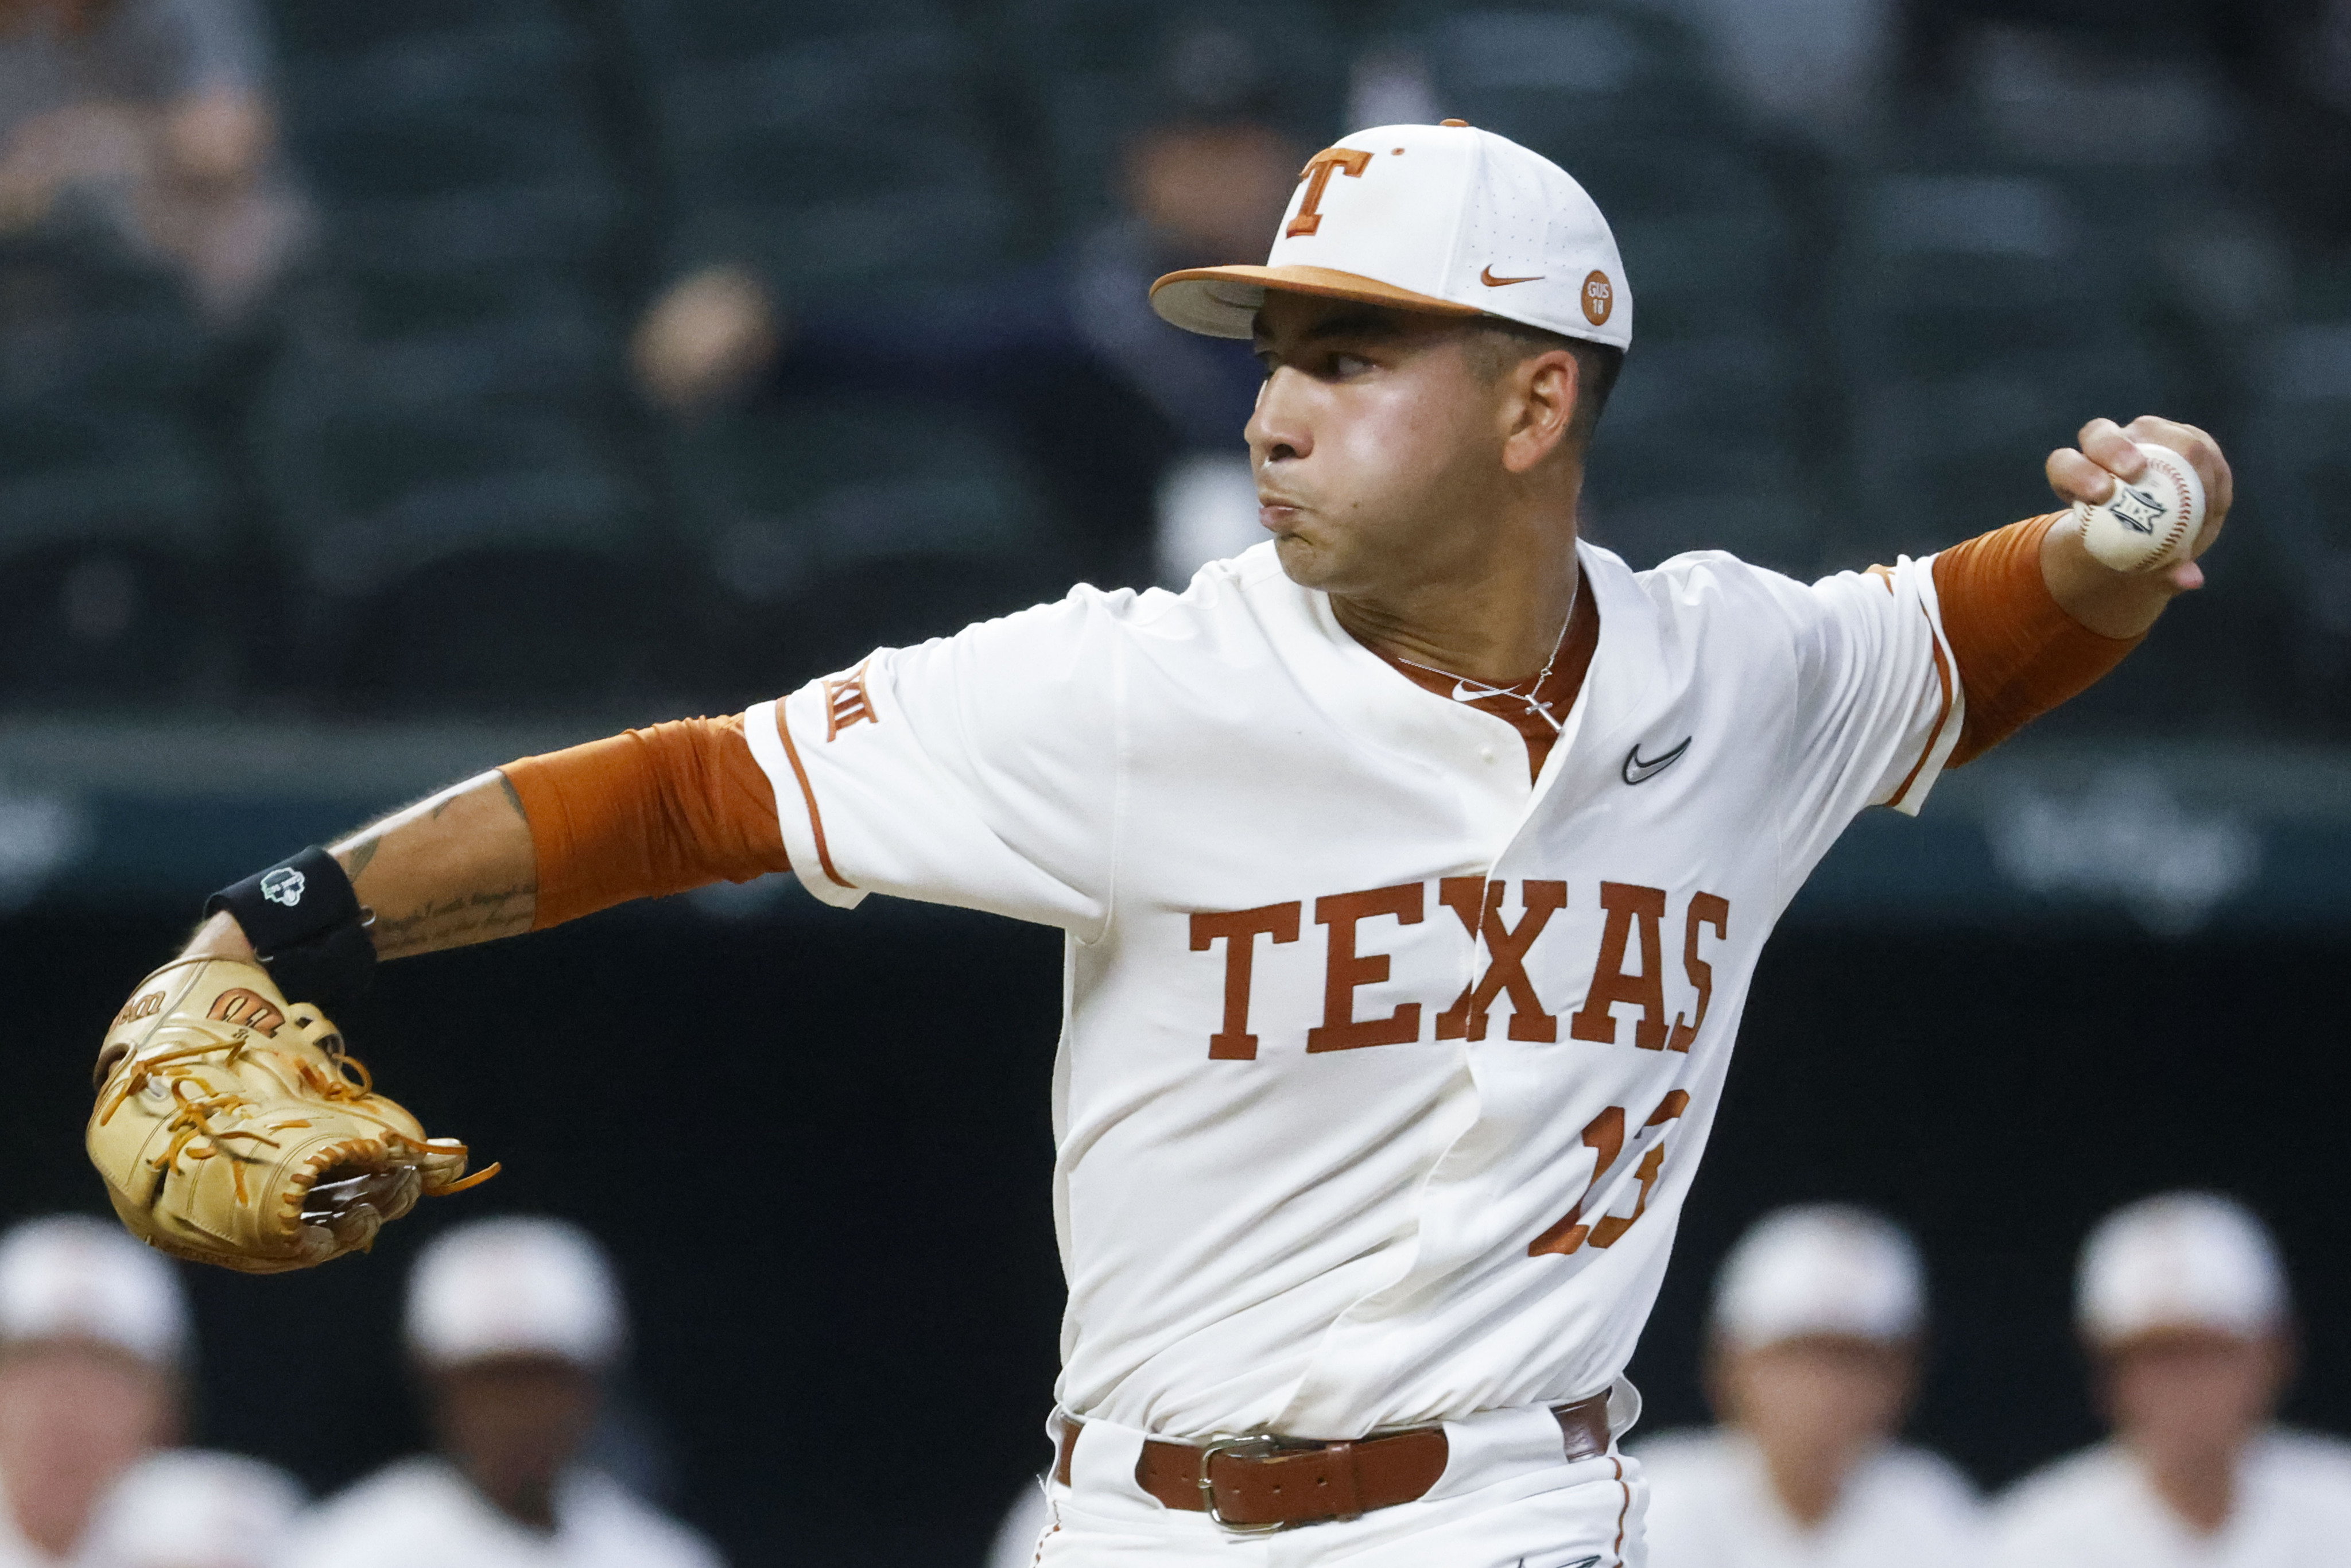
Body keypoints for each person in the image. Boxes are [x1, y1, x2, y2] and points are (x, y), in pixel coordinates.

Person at [142, 114, 2229, 1565]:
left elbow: (1975, 630)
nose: (1271, 411)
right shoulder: (1132, 685)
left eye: (1350, 354)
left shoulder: (1733, 673)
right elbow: (690, 787)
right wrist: (278, 917)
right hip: (1149, 1520)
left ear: (1531, 406)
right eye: (1268, 358)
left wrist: (2147, 522)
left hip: (1518, 1509)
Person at [277, 1217, 722, 1568]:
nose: (518, 1411)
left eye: (544, 1380)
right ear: (435, 1386)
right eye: (490, 1383)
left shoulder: (662, 1557)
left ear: (593, 1387)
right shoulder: (345, 1551)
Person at [1989, 1192, 2351, 1567]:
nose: (2185, 1386)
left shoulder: (2342, 1505)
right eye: (2157, 1358)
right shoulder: (2033, 1543)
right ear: (2106, 1377)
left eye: (2210, 1353)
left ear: (2275, 1355)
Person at [1636, 1206, 1979, 1567]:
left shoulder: (1935, 1512)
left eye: (1854, 1361)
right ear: (1728, 1366)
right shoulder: (1652, 1502)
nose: (1824, 1388)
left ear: (1903, 1378)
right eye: (1794, 1356)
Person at [0, 1214, 302, 1568]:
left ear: (166, 1405)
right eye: (35, 1364)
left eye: (105, 1369)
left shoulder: (230, 1523)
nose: (67, 1401)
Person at [0, 0, 307, 322]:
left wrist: (86, 141)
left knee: (244, 239)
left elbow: (228, 140)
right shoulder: (22, 26)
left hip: (204, 263)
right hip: (65, 270)